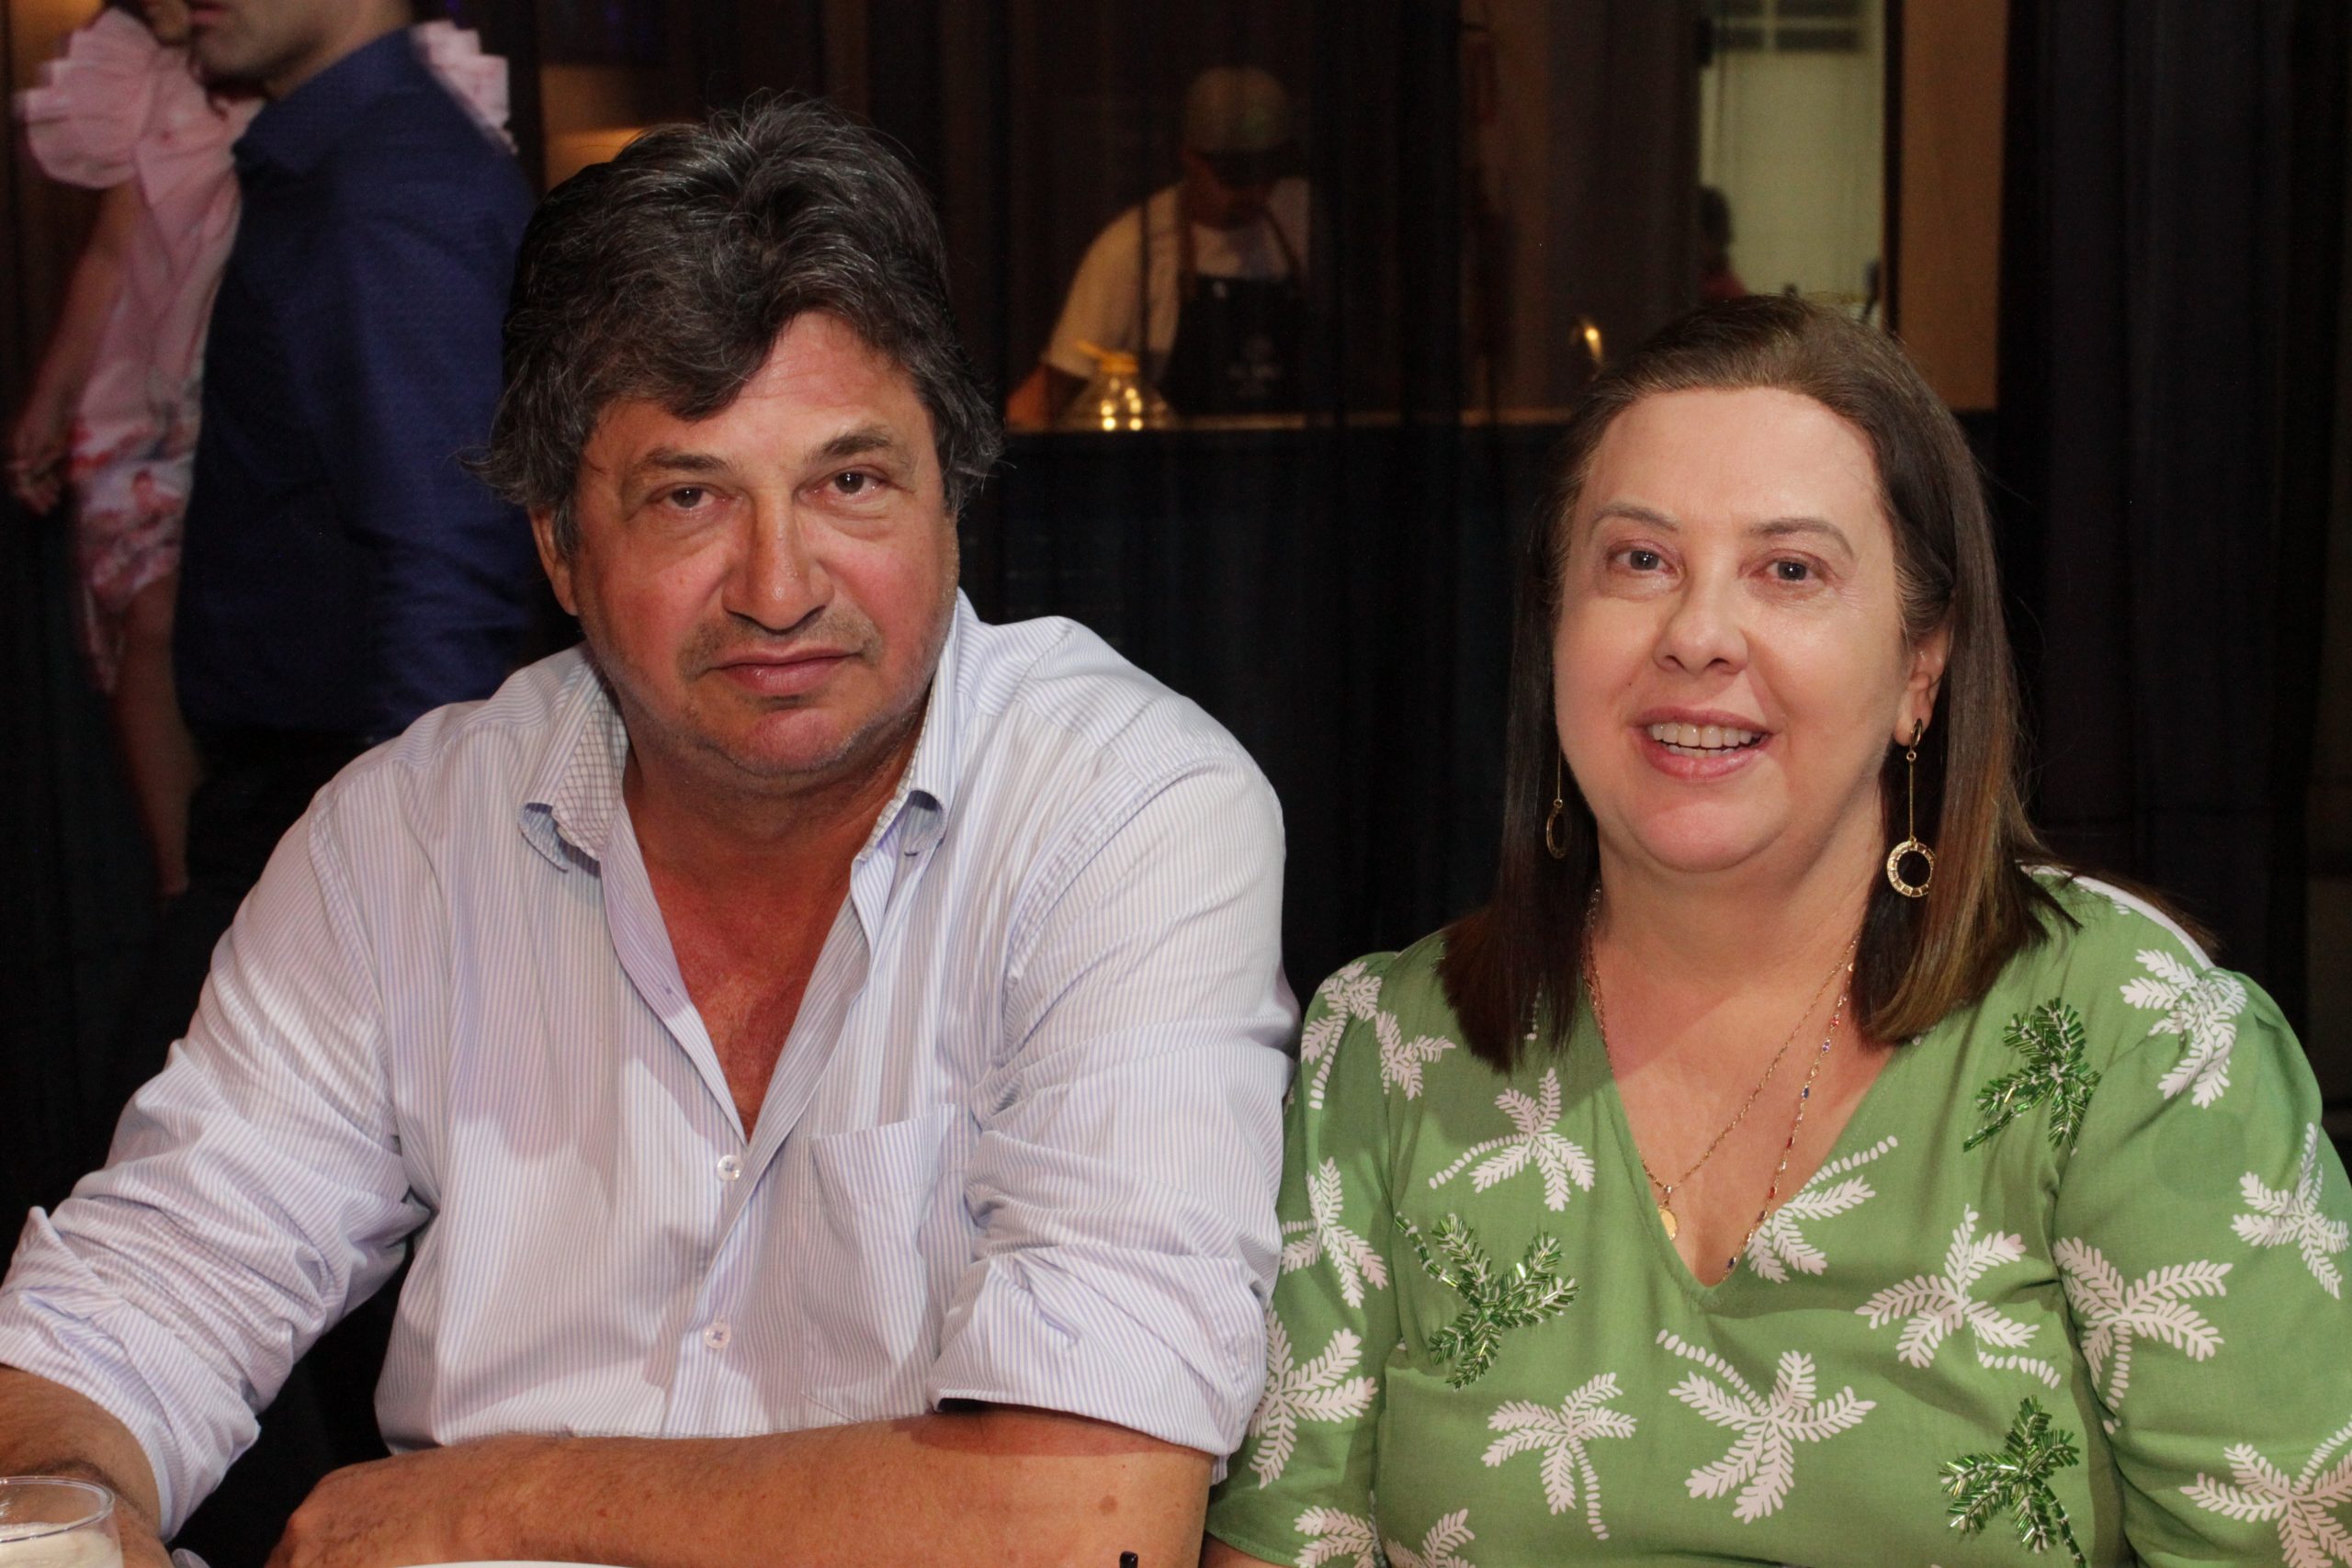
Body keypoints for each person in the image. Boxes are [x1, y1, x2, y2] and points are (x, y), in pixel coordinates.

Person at [0, 96, 1295, 1568]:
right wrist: (66, 1511)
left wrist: (490, 1497)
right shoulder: (408, 839)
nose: (780, 586)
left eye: (850, 482)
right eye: (688, 495)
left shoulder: (1124, 812)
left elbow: (1090, 1517)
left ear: (953, 497)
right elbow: (138, 1298)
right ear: (558, 542)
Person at [1205, 297, 2352, 1565]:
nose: (1697, 634)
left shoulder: (2135, 1041)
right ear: (1554, 629)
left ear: (1921, 667)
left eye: (1789, 571)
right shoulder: (1386, 1048)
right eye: (1639, 561)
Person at [106, 0, 535, 1097]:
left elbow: (451, 557)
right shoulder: (346, 162)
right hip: (309, 812)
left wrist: (402, 883)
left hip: (336, 818)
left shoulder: (386, 184)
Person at [1006, 65, 1311, 426]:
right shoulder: (1132, 251)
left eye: (1268, 171)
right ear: (1190, 158)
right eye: (1236, 174)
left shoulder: (1302, 218)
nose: (1256, 191)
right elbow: (1047, 396)